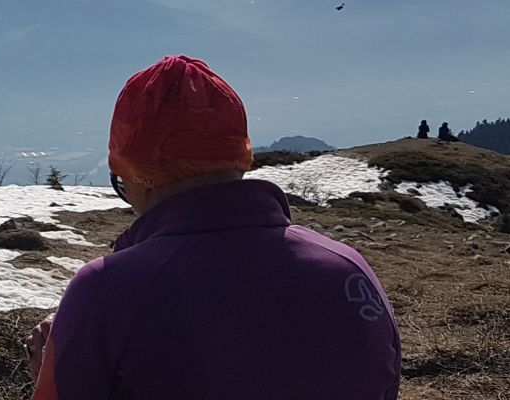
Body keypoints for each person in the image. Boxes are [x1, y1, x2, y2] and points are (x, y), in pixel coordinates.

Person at [24, 55, 401, 399]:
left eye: (120, 182)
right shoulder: (348, 268)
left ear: (140, 175)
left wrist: (53, 374)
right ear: (239, 158)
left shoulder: (107, 290)